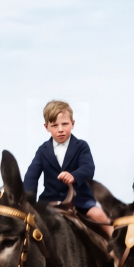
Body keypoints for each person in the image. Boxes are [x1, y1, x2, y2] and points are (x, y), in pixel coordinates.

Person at [24, 100, 111, 235]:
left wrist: (74, 176)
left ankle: (118, 250)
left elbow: (88, 167)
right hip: (49, 201)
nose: (60, 129)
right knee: (27, 224)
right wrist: (27, 199)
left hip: (80, 200)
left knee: (99, 215)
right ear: (46, 127)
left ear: (72, 123)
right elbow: (31, 175)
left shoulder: (81, 146)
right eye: (54, 125)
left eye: (65, 124)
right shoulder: (43, 150)